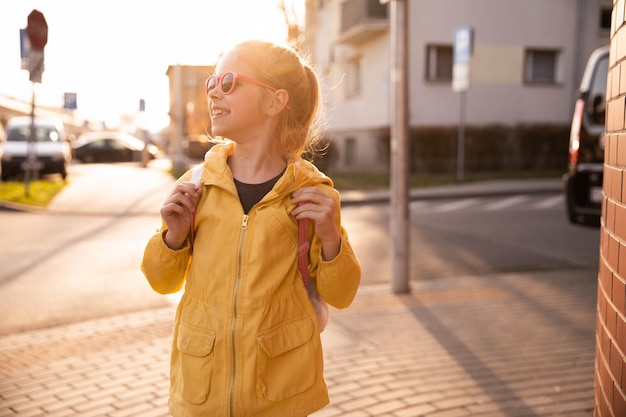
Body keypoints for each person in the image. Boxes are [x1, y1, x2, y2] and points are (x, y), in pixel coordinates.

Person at [141, 40, 361, 417]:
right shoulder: (198, 184)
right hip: (202, 392)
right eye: (212, 82)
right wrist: (173, 238)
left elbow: (340, 294)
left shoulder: (310, 193)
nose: (213, 93)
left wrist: (331, 239)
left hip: (279, 397)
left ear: (275, 102)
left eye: (228, 82)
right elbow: (162, 282)